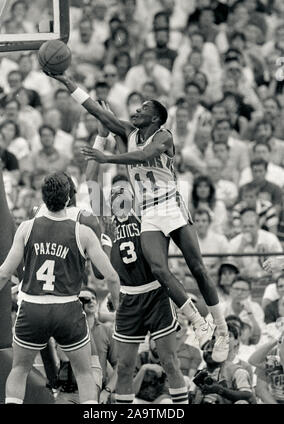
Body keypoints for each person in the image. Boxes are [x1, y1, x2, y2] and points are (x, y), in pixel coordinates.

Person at [45, 71, 230, 363]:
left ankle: (222, 327)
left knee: (197, 267)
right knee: (158, 267)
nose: (136, 110)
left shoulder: (163, 136)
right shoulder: (126, 134)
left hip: (171, 204)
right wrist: (67, 82)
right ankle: (197, 321)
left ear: (155, 118)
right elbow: (95, 110)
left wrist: (108, 158)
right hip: (150, 212)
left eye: (143, 109)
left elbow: (143, 157)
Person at [0, 172, 120, 404]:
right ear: (69, 199)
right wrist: (117, 304)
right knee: (85, 374)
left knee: (18, 370)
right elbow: (110, 276)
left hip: (33, 307)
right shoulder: (83, 231)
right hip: (66, 308)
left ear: (43, 198)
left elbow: (3, 273)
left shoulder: (26, 228)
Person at [84, 125, 191, 405]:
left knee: (169, 362)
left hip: (155, 293)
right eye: (114, 193)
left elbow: (143, 165)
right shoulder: (106, 220)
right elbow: (91, 177)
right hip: (129, 298)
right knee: (123, 367)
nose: (118, 195)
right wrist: (101, 136)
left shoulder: (147, 210)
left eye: (123, 190)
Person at [191, 324, 255, 404]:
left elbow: (247, 395)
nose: (210, 351)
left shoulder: (237, 371)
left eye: (214, 348)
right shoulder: (201, 372)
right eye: (207, 348)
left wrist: (219, 390)